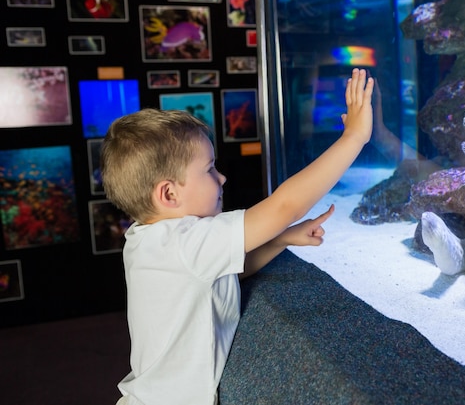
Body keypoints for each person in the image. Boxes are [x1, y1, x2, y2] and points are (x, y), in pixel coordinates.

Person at [102, 68, 374, 405]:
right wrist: (355, 138)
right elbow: (284, 205)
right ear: (169, 195)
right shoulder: (183, 242)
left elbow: (223, 274)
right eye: (209, 169)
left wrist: (281, 239)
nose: (223, 178)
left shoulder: (148, 240)